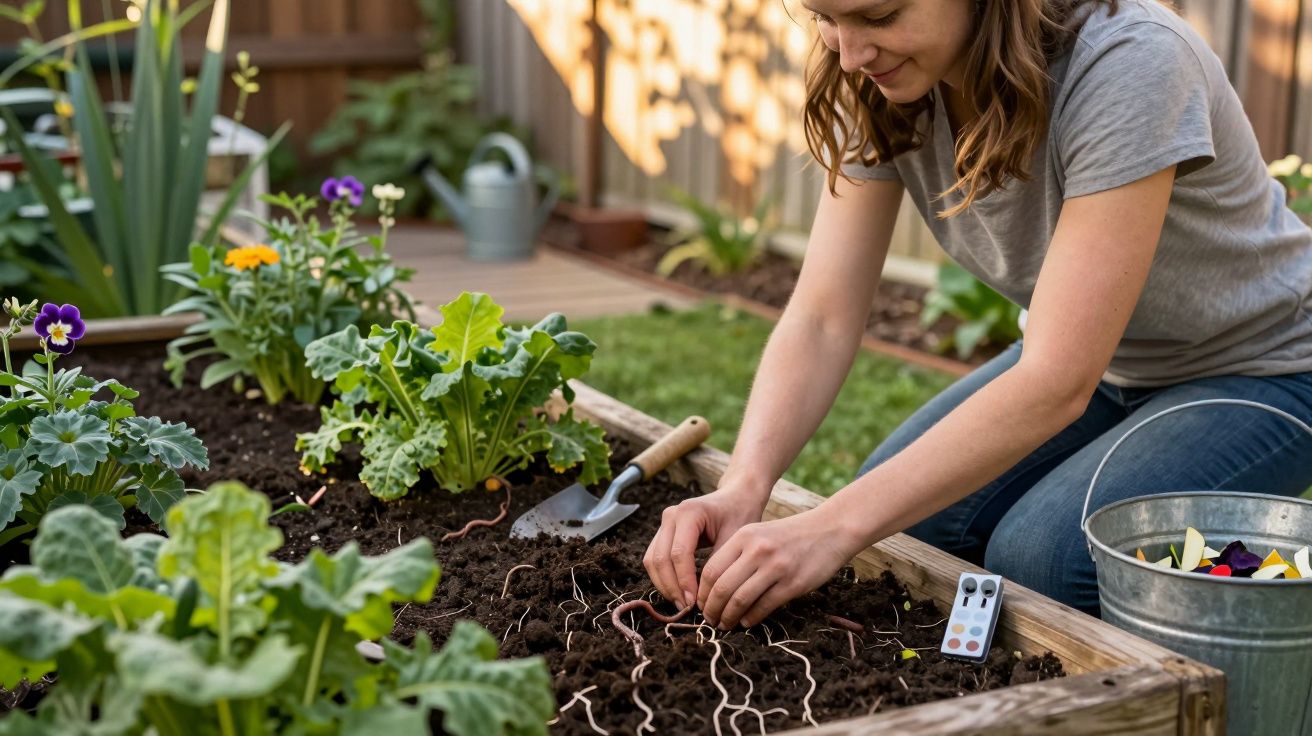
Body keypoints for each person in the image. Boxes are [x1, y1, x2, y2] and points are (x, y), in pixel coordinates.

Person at [643, 0, 1312, 627]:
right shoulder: (879, 77)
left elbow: (1055, 381)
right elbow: (822, 316)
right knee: (902, 523)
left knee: (1044, 557)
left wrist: (829, 529)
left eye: (879, 15)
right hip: (1109, 365)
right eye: (824, 17)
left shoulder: (1129, 62)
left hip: (1265, 365)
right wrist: (744, 487)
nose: (849, 54)